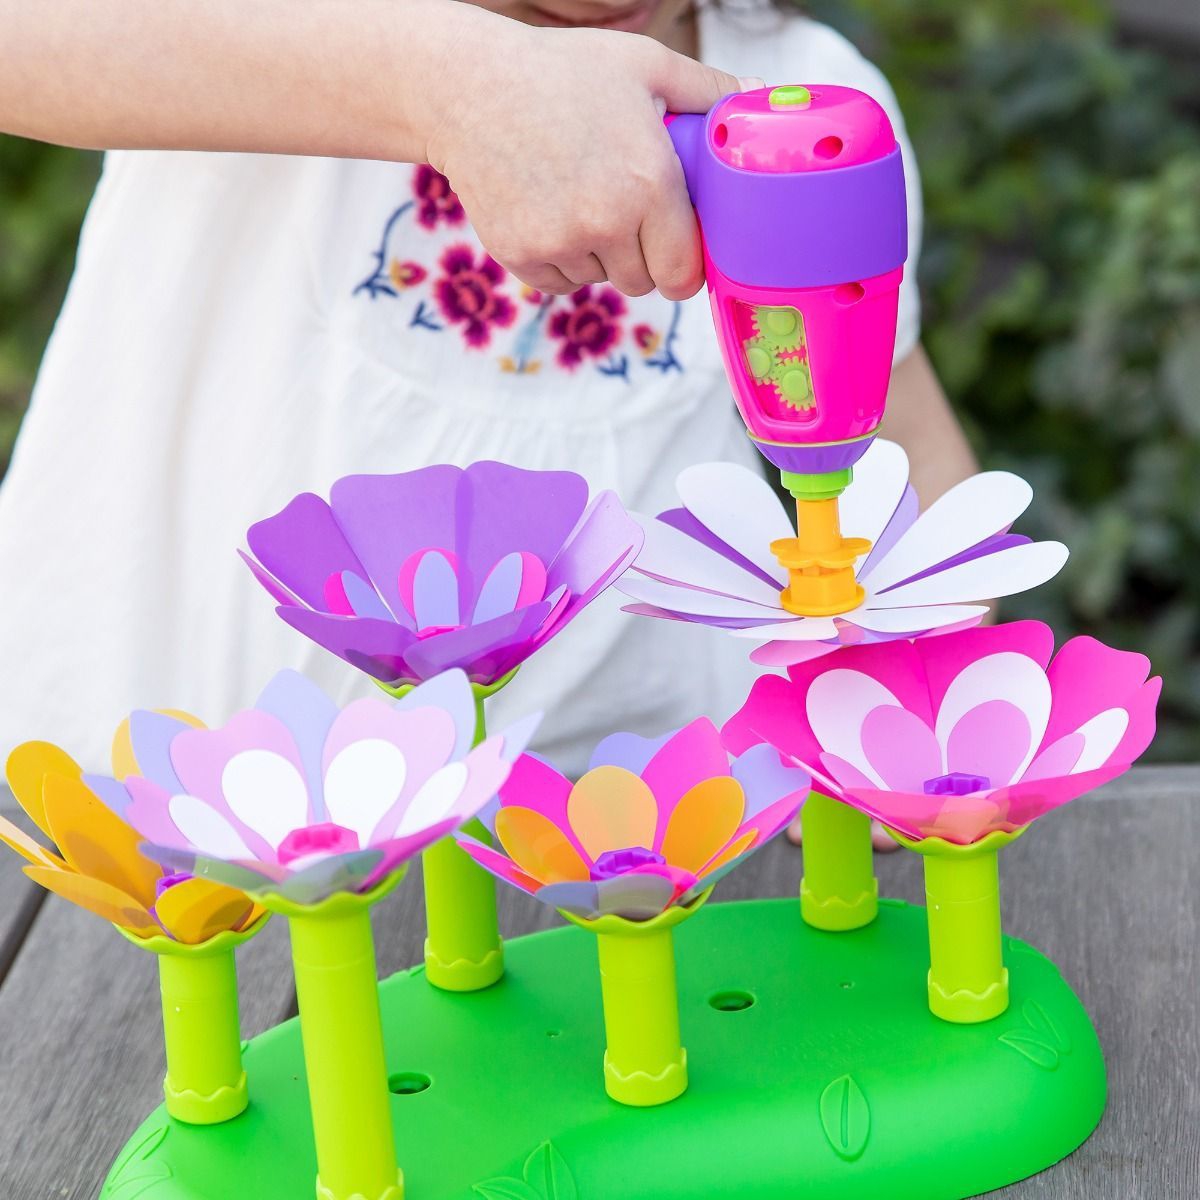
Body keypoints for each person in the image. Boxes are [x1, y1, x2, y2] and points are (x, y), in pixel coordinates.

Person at [0, 0, 975, 819]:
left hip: (629, 843)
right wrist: (452, 83)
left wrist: (902, 715)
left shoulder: (805, 102)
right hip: (178, 814)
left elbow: (904, 449)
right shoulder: (290, 26)